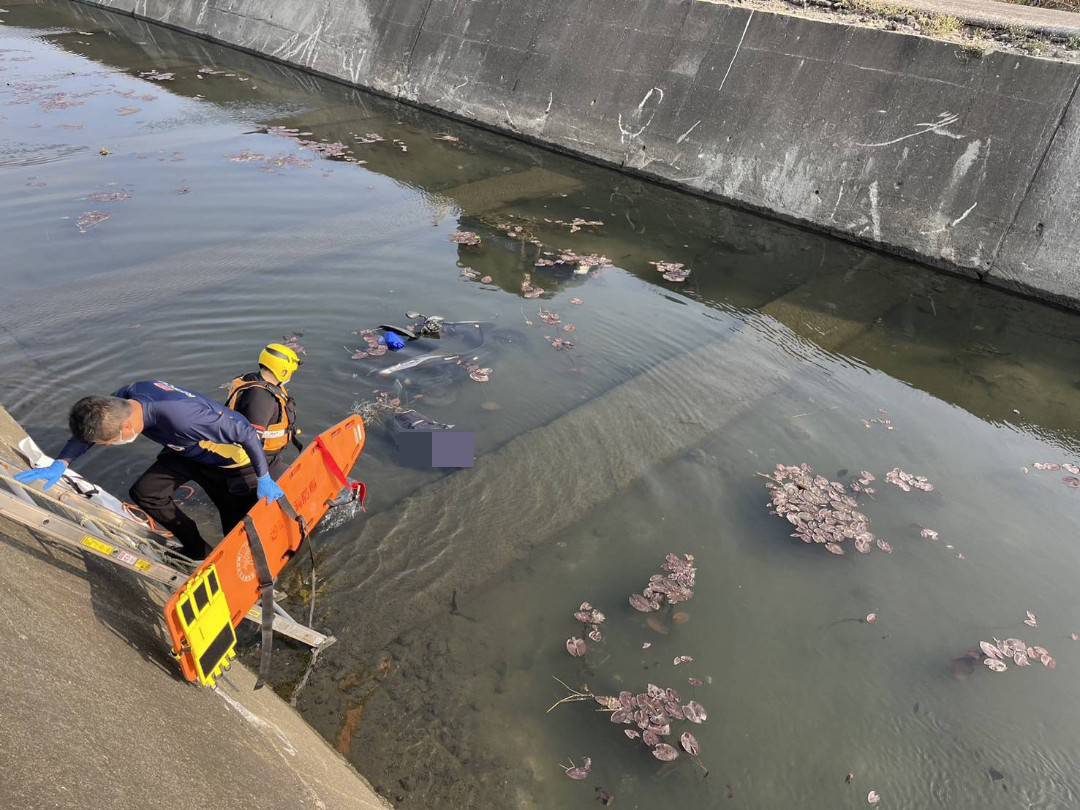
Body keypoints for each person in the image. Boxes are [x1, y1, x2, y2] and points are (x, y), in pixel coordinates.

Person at [14, 379, 285, 559]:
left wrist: (263, 476)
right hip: (185, 450)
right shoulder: (125, 398)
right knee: (146, 492)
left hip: (228, 463)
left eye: (108, 443)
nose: (108, 446)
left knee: (237, 528)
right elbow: (89, 432)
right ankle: (196, 549)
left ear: (127, 429)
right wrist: (62, 462)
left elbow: (246, 432)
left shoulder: (182, 415)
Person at [220, 341, 303, 501]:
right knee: (299, 487)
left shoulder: (252, 380)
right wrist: (263, 478)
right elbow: (251, 441)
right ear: (283, 371)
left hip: (265, 458)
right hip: (252, 466)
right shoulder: (261, 397)